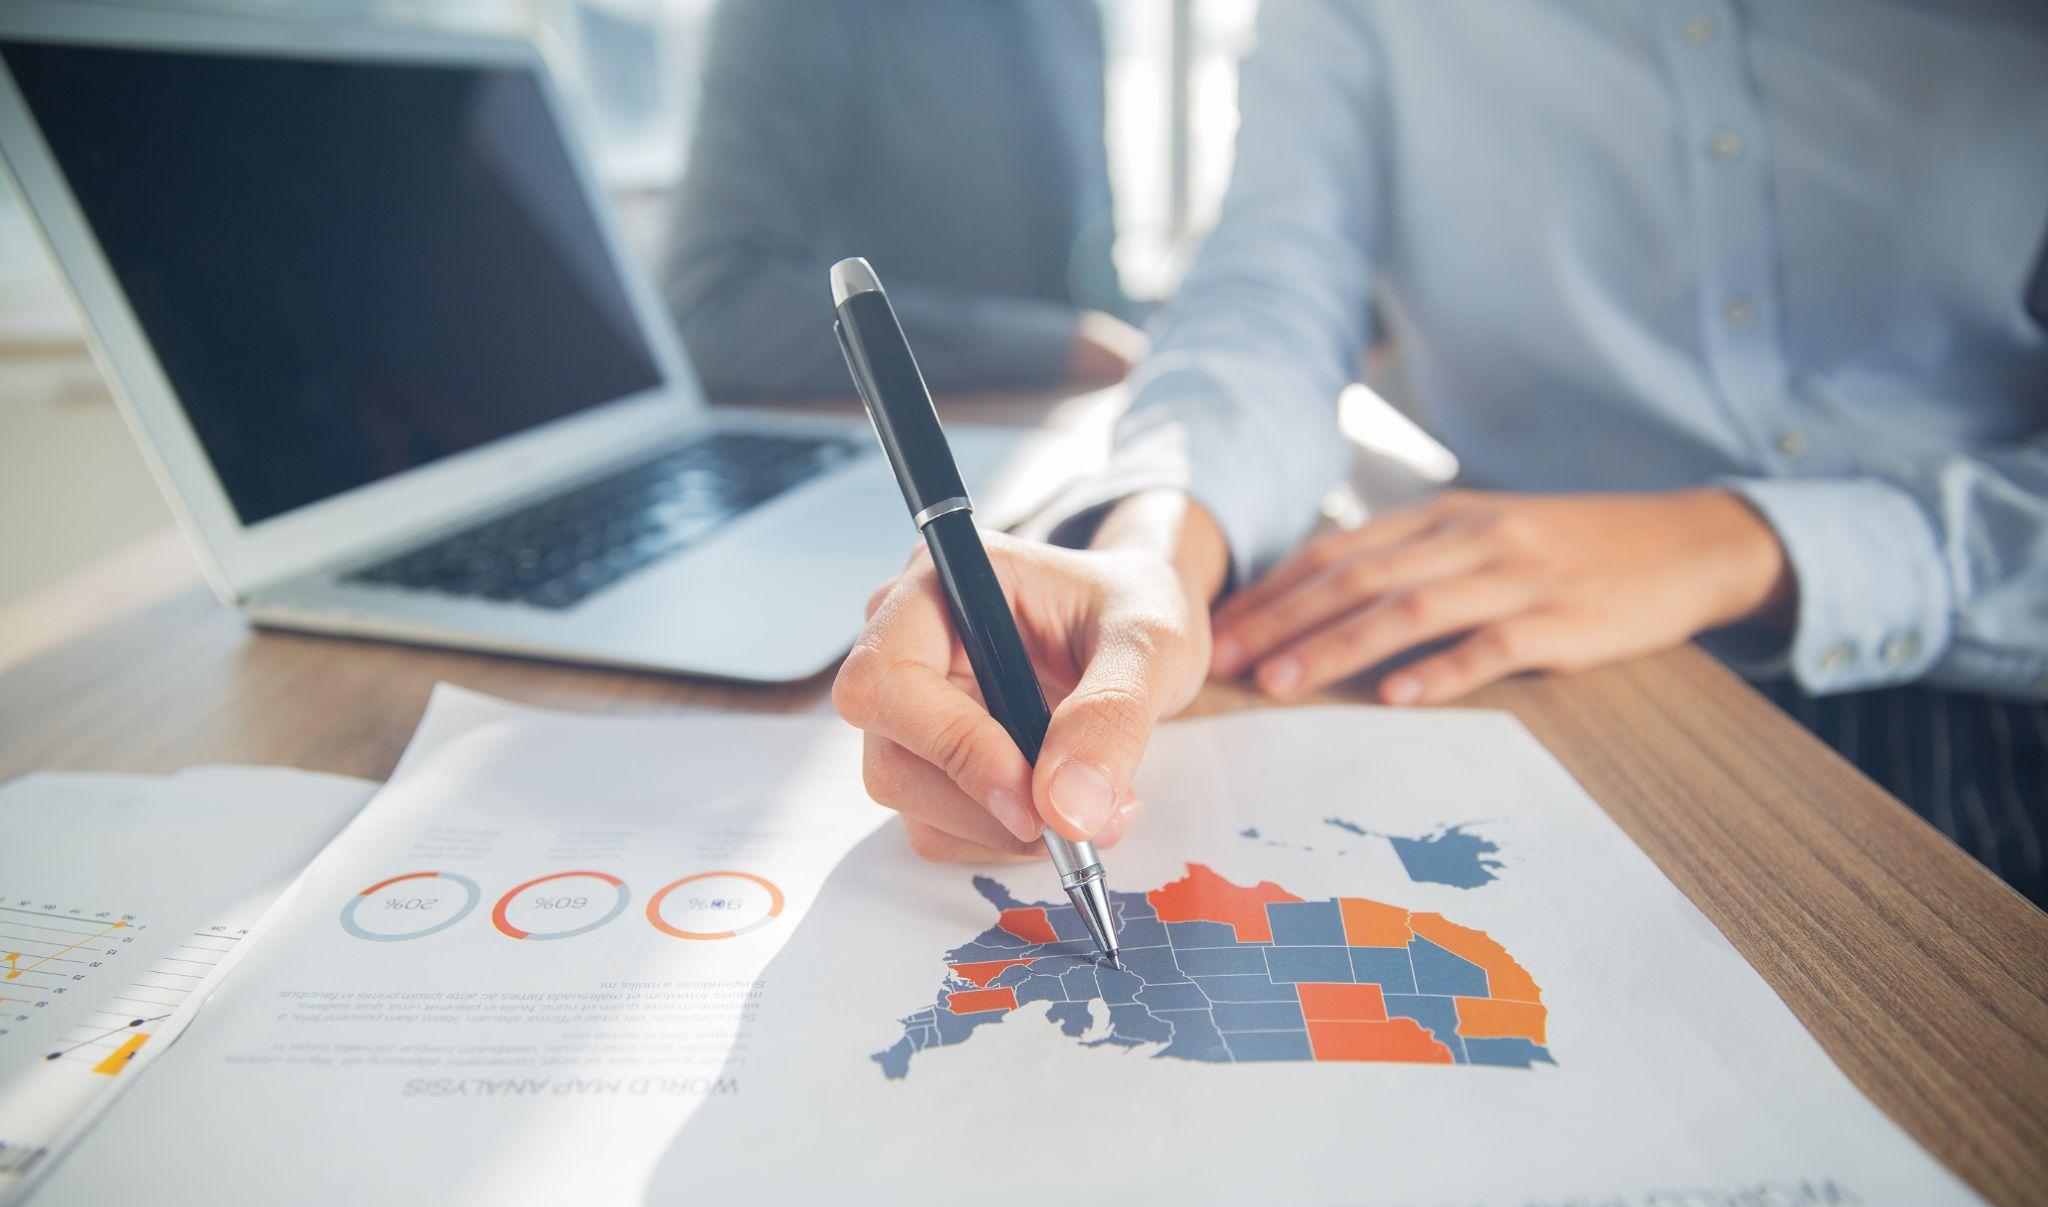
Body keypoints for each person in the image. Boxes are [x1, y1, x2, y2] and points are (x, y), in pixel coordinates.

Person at [830, 1, 2048, 903]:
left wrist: (1749, 543)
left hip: (1988, 700)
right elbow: (1267, 307)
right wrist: (1155, 548)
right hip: (1530, 684)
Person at [661, 0, 1143, 399]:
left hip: (1067, 439)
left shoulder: (1069, 14)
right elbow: (712, 307)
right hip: (897, 454)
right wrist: (1055, 347)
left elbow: (1096, 274)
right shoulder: (796, 15)